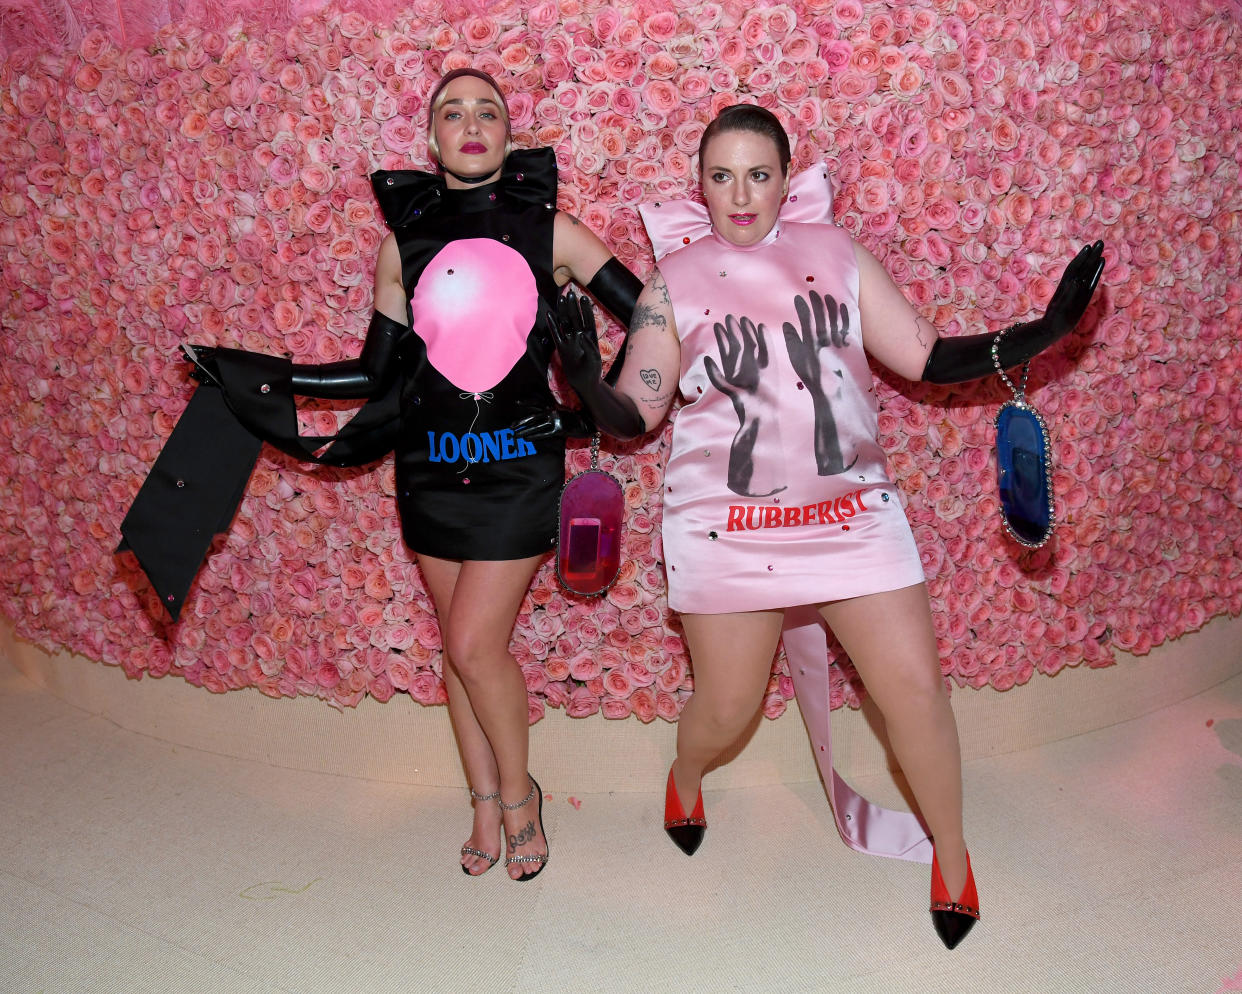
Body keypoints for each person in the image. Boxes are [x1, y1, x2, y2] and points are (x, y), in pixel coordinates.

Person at [547, 103, 1103, 945]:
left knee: (916, 695)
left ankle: (950, 853)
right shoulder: (673, 282)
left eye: (759, 174)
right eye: (721, 176)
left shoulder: (836, 254)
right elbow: (637, 415)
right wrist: (586, 376)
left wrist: (1046, 330)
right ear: (698, 186)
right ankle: (687, 772)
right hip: (723, 528)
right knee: (726, 709)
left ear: (785, 178)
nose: (741, 194)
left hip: (853, 520)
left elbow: (924, 354)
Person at [181, 68, 644, 880]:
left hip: (517, 472)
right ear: (431, 141)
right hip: (428, 471)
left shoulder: (556, 232)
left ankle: (521, 797)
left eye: (488, 111)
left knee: (474, 642)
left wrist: (594, 394)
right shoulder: (401, 246)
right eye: (452, 113)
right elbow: (372, 374)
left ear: (508, 133)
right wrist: (260, 376)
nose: (471, 124)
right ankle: (482, 800)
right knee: (457, 652)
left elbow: (650, 316)